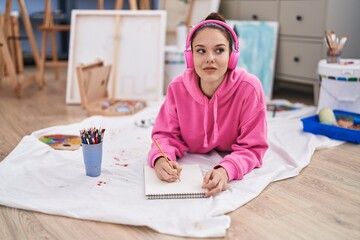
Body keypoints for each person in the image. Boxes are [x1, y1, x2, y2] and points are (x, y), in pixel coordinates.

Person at [148, 12, 268, 197]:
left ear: (232, 55)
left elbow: (252, 147)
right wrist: (160, 160)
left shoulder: (250, 88)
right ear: (190, 56)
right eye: (201, 51)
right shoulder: (177, 87)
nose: (209, 58)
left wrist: (226, 170)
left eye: (219, 50)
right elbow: (164, 135)